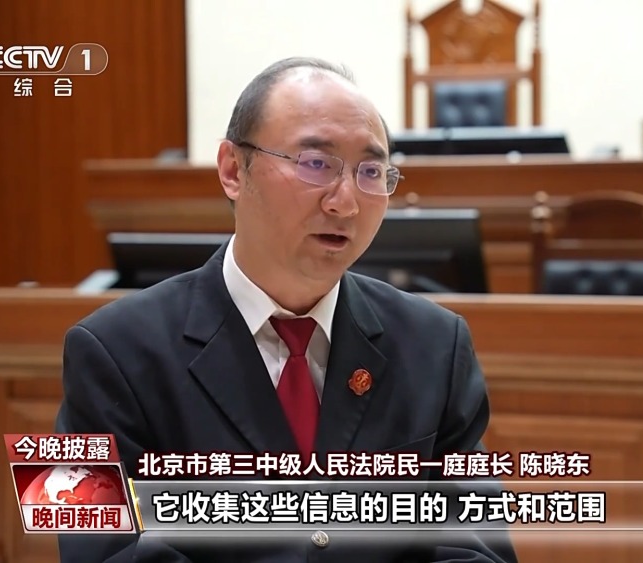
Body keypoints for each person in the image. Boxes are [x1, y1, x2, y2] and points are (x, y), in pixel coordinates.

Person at [55, 57, 517, 563]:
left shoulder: (438, 343)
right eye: (315, 163)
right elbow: (94, 552)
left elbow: (482, 549)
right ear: (233, 169)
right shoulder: (101, 349)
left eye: (370, 172)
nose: (346, 202)